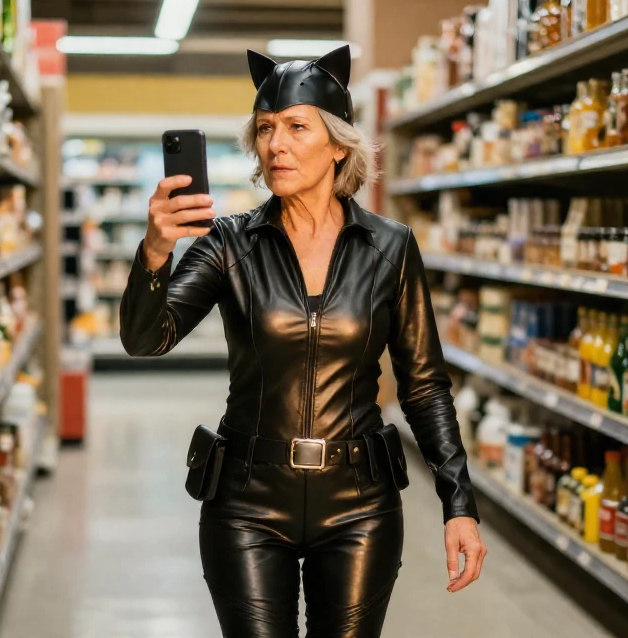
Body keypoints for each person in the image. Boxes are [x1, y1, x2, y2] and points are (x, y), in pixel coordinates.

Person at [119, 45, 484, 637]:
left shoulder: (391, 248)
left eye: (295, 127)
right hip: (246, 502)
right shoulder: (227, 245)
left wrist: (458, 503)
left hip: (361, 503)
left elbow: (423, 384)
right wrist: (156, 252)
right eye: (265, 129)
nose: (276, 144)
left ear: (338, 144)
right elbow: (145, 339)